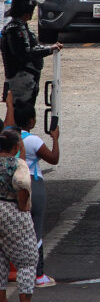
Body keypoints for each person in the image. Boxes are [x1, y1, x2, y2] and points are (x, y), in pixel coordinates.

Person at [4, 94, 58, 287]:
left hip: (12, 186)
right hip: (33, 183)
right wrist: (56, 138)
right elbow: (53, 158)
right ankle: (38, 274)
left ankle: (13, 271)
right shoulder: (33, 141)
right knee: (36, 230)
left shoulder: (8, 137)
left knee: (16, 231)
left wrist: (9, 105)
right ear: (32, 120)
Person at [1, 0, 62, 108]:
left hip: (24, 81)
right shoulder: (16, 29)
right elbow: (25, 53)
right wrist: (49, 49)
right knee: (21, 117)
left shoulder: (18, 27)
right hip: (21, 83)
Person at [0, 128, 36, 300]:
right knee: (26, 262)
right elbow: (21, 182)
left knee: (0, 261)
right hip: (12, 211)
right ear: (15, 147)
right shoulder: (17, 164)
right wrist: (23, 206)